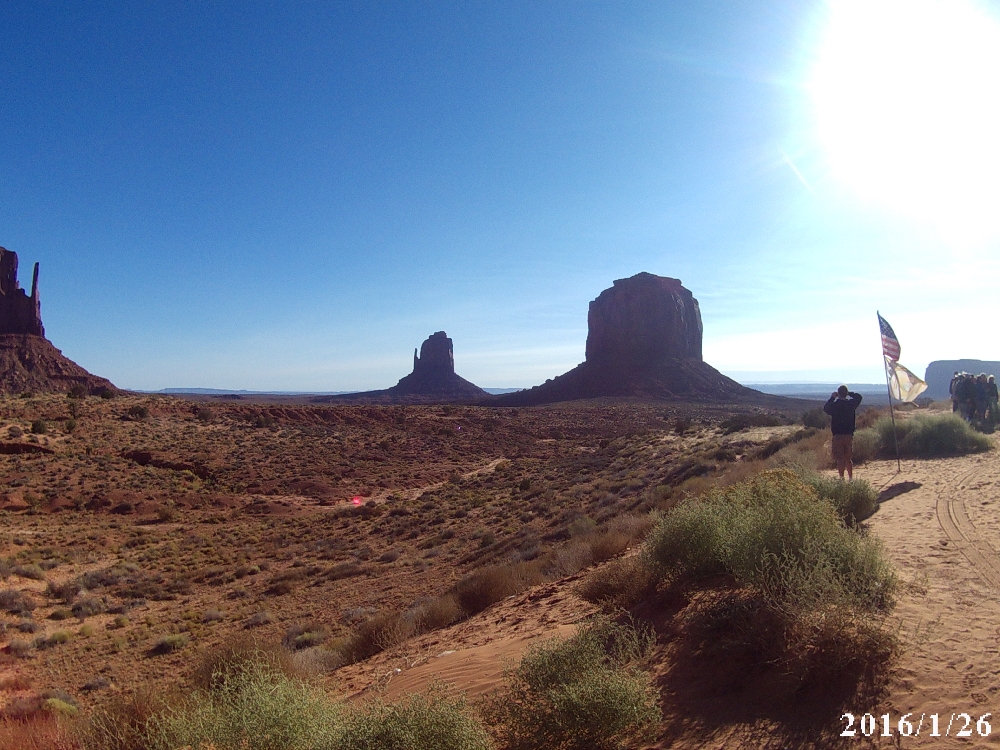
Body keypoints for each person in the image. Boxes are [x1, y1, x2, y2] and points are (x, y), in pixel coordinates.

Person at [823, 385, 863, 480]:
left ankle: (841, 479)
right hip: (849, 435)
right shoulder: (851, 404)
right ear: (845, 393)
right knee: (848, 458)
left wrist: (832, 398)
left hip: (837, 436)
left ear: (838, 393)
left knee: (840, 459)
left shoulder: (834, 405)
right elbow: (859, 397)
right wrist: (849, 393)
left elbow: (826, 408)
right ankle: (850, 478)